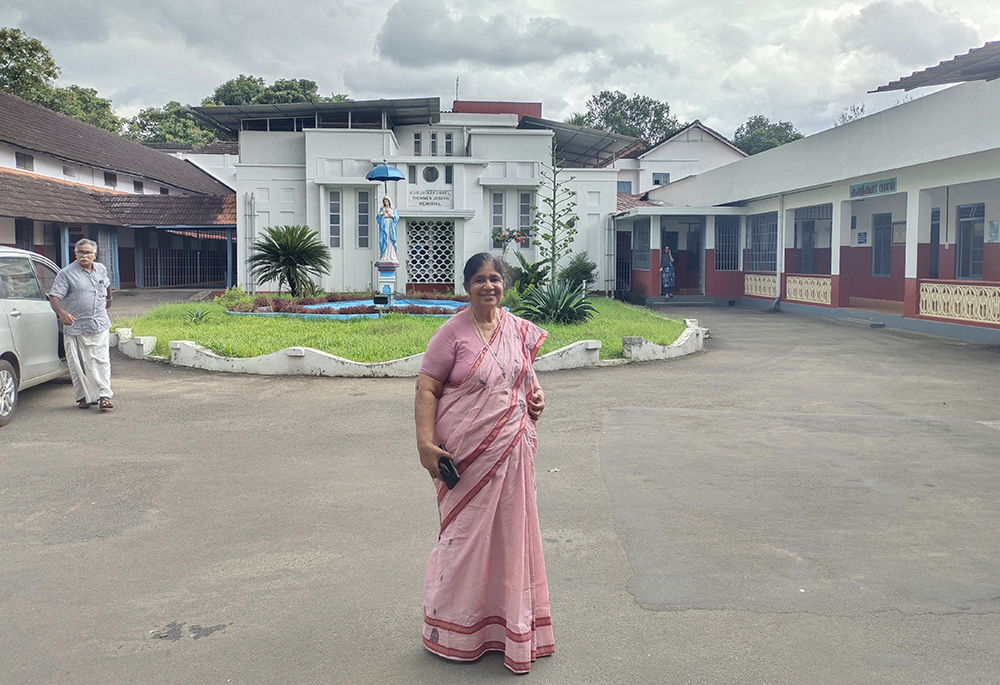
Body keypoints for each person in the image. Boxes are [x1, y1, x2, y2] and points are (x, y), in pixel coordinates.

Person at [414, 253, 553, 674]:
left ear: (504, 285)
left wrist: (538, 397)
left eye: (495, 279)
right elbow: (426, 389)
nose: (488, 286)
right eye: (479, 280)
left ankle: (509, 625)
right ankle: (453, 628)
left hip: (512, 451)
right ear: (466, 286)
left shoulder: (518, 330)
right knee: (463, 540)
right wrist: (424, 444)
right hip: (466, 457)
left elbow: (524, 377)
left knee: (512, 538)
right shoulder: (452, 332)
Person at [48, 239, 114, 410]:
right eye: (80, 252)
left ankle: (104, 396)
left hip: (99, 323)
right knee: (79, 364)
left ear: (95, 255)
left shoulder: (100, 269)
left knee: (101, 361)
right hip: (76, 326)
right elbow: (54, 296)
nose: (84, 256)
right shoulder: (66, 273)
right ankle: (84, 397)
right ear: (75, 254)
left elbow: (106, 283)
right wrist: (62, 313)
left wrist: (109, 298)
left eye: (88, 252)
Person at [376, 196, 398, 263]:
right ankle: (384, 255)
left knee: (390, 240)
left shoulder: (393, 210)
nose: (386, 203)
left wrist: (391, 215)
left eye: (386, 201)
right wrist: (381, 214)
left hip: (390, 227)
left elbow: (396, 218)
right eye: (384, 201)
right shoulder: (382, 209)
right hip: (384, 227)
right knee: (383, 240)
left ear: (389, 202)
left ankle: (391, 256)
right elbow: (378, 218)